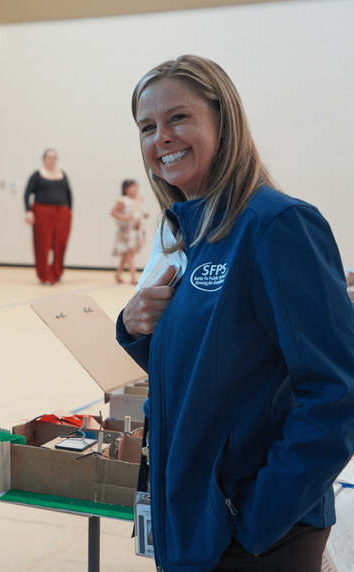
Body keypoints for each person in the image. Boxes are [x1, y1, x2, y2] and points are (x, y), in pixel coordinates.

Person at [116, 55, 354, 572]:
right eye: (147, 127)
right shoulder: (189, 233)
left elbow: (338, 391)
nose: (161, 137)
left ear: (223, 122)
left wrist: (258, 517)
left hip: (253, 534)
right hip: (192, 516)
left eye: (179, 117)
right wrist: (134, 326)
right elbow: (215, 367)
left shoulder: (277, 225)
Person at [23, 149, 73, 285]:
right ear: (44, 158)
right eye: (50, 157)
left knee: (60, 244)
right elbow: (27, 193)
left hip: (62, 213)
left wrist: (69, 211)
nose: (52, 159)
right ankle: (44, 275)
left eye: (55, 157)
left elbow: (69, 194)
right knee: (43, 243)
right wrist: (28, 211)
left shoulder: (62, 174)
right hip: (42, 212)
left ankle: (57, 273)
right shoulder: (37, 175)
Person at [110, 179, 147, 284]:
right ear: (126, 189)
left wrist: (144, 214)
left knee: (127, 254)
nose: (136, 189)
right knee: (131, 252)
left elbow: (140, 211)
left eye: (136, 187)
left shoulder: (139, 200)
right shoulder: (123, 200)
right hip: (127, 232)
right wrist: (125, 217)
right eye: (133, 187)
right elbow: (113, 212)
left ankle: (118, 274)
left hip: (136, 230)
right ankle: (134, 277)